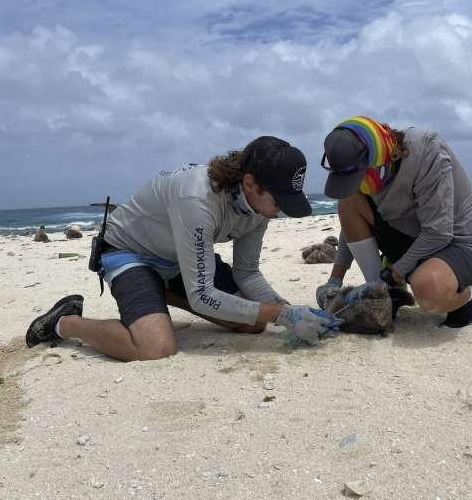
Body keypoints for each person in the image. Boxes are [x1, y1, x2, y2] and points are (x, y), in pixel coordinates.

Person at [25, 136, 339, 361]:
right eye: (279, 201)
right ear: (250, 183)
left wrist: (286, 308)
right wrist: (280, 314)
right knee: (154, 348)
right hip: (130, 253)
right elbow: (203, 296)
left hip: (180, 259)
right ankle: (62, 322)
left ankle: (159, 294)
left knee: (255, 323)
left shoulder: (258, 208)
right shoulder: (197, 200)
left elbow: (247, 271)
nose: (279, 211)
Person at [315, 116, 472, 327]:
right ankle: (385, 297)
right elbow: (351, 221)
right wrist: (335, 280)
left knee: (428, 289)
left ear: (379, 157)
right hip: (409, 238)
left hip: (459, 244)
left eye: (357, 177)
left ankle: (467, 297)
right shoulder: (368, 172)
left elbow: (438, 233)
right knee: (349, 199)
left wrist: (395, 272)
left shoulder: (427, 151)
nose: (358, 183)